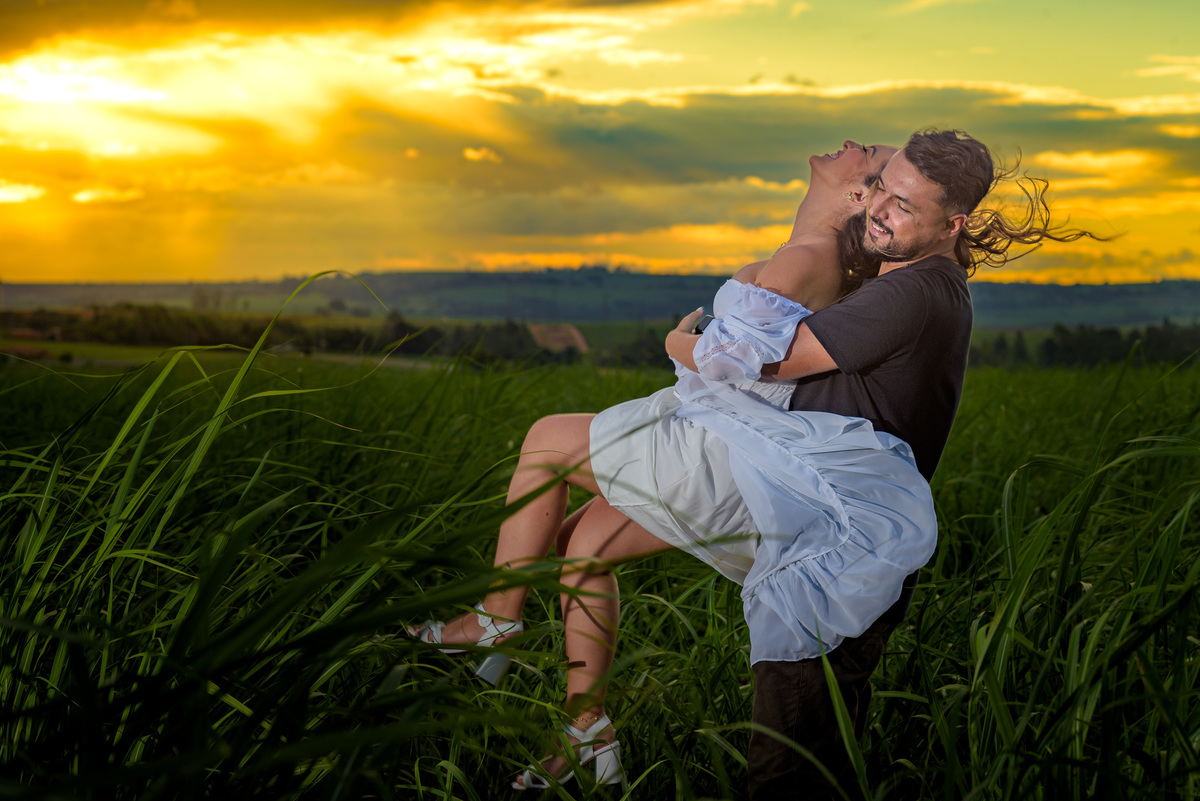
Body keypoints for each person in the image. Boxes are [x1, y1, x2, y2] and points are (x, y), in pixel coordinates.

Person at [411, 137, 928, 791]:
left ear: (858, 193)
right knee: (583, 551)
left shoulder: (806, 259)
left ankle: (493, 619)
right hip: (707, 433)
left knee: (545, 441)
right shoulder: (808, 256)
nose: (852, 141)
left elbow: (727, 365)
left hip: (707, 446)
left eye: (868, 150)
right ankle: (586, 733)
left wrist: (674, 340)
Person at [703, 128, 1103, 800]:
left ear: (954, 223)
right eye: (883, 188)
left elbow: (762, 358)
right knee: (817, 755)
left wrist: (681, 341)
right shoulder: (914, 276)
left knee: (788, 770)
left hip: (839, 558)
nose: (880, 208)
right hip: (831, 546)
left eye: (904, 204)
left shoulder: (912, 293)